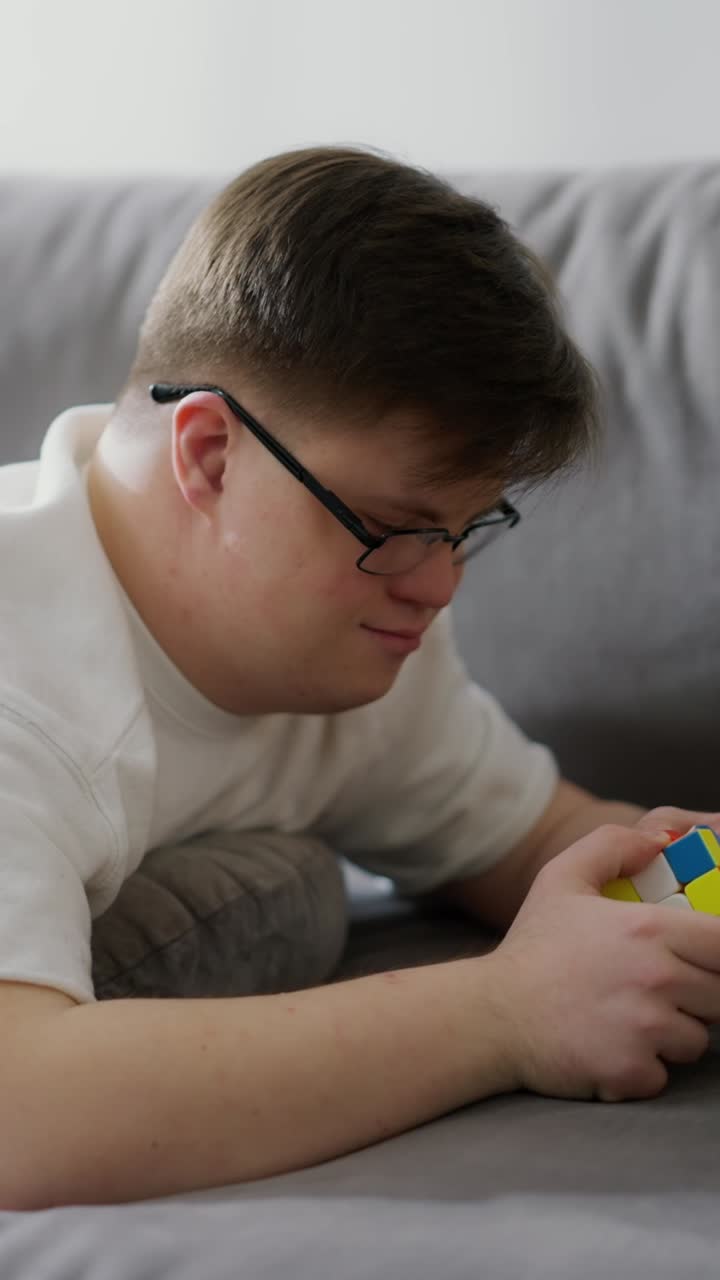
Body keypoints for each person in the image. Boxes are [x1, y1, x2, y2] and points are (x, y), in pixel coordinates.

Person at [1, 144, 719, 1212]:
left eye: (466, 530)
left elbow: (531, 840)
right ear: (208, 454)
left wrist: (702, 871)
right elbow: (23, 1115)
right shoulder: (27, 677)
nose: (438, 588)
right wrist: (507, 1012)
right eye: (391, 529)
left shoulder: (357, 649)